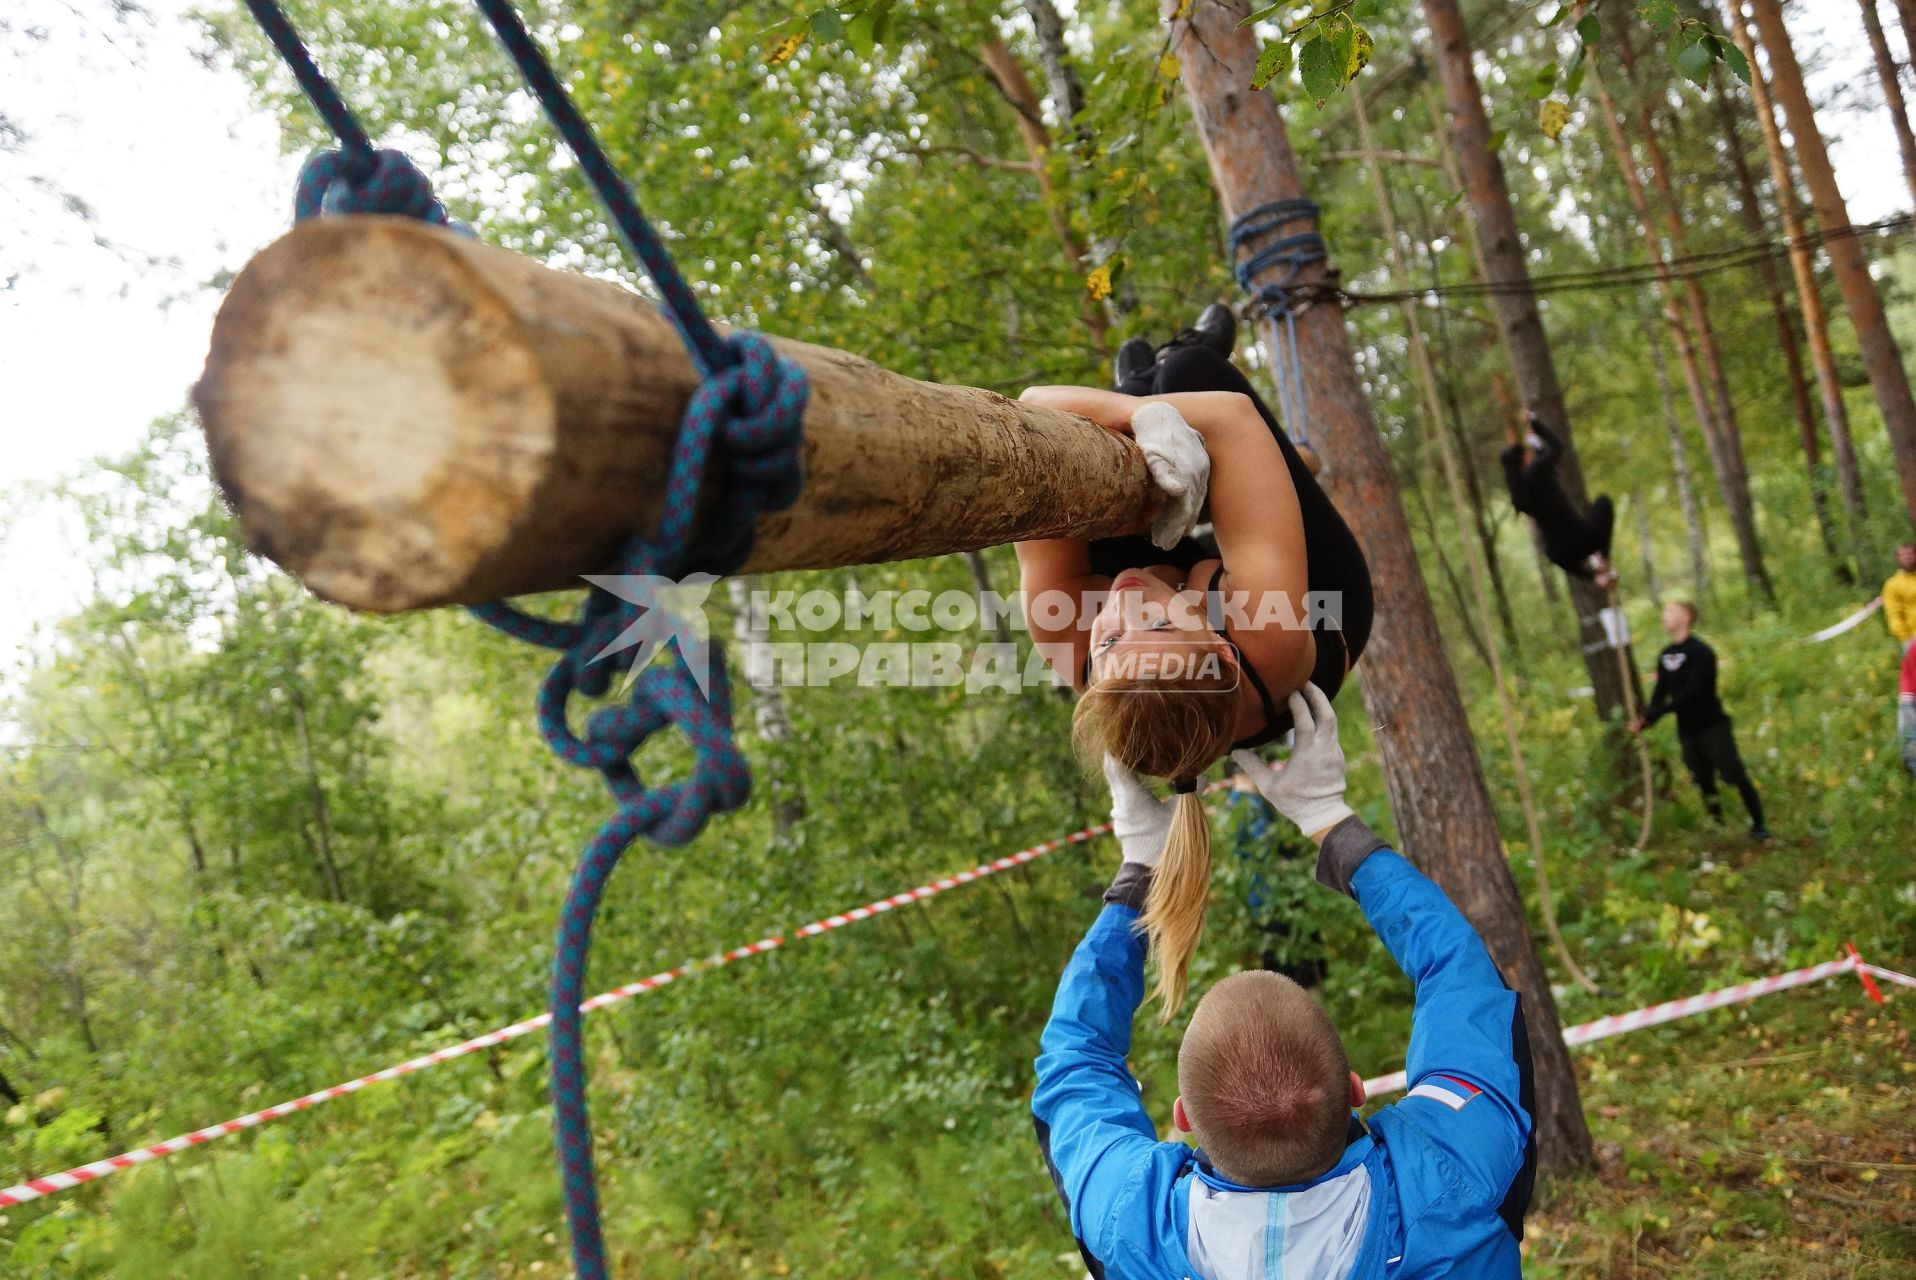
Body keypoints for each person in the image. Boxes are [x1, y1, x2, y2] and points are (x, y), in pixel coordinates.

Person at [1033, 685, 1535, 1279]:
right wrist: (1331, 822)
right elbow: (1462, 982)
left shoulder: (1127, 1223)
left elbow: (1075, 1061)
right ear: (1356, 1088)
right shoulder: (1458, 1176)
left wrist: (1141, 871)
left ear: (1183, 1117)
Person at [1015, 308, 1373, 1015]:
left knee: (1113, 443)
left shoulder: (1069, 639)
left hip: (1194, 610)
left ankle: (1140, 383)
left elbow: (1027, 414)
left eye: (1112, 641)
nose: (1118, 606)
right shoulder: (1263, 633)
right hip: (1324, 617)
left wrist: (1134, 415)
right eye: (1150, 619)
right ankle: (1172, 374)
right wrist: (1155, 412)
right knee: (1195, 374)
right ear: (1213, 640)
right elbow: (1231, 418)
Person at [1630, 600, 1770, 840]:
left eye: (1670, 612)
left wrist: (1660, 712)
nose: (1664, 615)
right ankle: (1718, 824)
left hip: (1712, 726)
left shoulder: (1701, 652)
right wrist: (1646, 719)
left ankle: (1759, 825)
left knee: (1732, 772)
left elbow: (1693, 693)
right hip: (1687, 730)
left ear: (1685, 618)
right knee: (1702, 777)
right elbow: (1660, 693)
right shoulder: (1666, 656)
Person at [1501, 413, 1616, 588]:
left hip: (1561, 554)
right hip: (1582, 539)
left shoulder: (1520, 496)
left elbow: (1541, 475)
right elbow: (1557, 448)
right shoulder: (1537, 470)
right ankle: (1602, 558)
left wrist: (1539, 449)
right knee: (1603, 503)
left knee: (1561, 555)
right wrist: (1535, 423)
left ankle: (1594, 577)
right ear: (1524, 458)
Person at [1883, 542, 1916, 651]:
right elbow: (1893, 614)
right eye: (1903, 555)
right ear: (1897, 559)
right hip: (1912, 638)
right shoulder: (1892, 585)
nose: (1907, 558)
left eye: (1910, 554)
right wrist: (1906, 639)